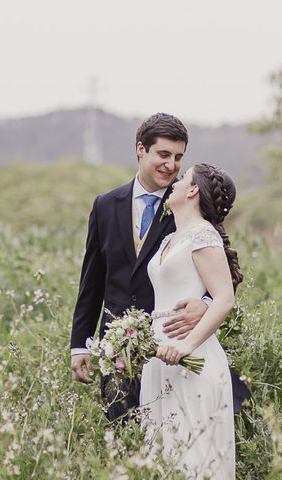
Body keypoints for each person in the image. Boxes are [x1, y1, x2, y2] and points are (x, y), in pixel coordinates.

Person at [69, 113, 249, 422]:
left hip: (171, 346)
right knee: (122, 438)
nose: (171, 165)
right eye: (163, 154)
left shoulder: (190, 204)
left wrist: (204, 304)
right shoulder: (105, 205)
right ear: (141, 150)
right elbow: (92, 280)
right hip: (118, 349)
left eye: (179, 157)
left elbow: (225, 272)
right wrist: (79, 344)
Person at [140, 163, 241, 478]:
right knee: (161, 456)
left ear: (194, 189)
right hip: (159, 359)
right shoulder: (173, 236)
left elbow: (224, 298)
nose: (176, 181)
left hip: (190, 359)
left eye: (183, 178)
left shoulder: (202, 234)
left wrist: (185, 345)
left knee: (192, 459)